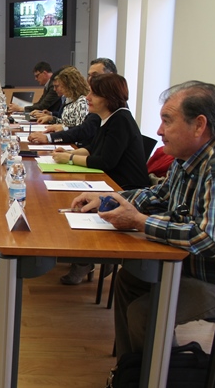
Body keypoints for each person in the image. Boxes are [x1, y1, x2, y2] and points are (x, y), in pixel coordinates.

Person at [70, 81, 215, 361]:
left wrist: (140, 222)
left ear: (199, 125)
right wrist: (109, 199)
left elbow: (209, 240)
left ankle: (156, 373)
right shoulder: (186, 157)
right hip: (185, 264)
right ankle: (134, 370)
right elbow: (158, 193)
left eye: (167, 121)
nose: (158, 131)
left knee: (145, 313)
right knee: (129, 279)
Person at [52, 74, 150, 285]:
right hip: (109, 181)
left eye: (93, 93)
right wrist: (70, 155)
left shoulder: (121, 119)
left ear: (109, 97)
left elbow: (104, 161)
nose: (87, 97)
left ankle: (86, 259)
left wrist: (69, 159)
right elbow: (93, 149)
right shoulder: (110, 118)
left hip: (126, 189)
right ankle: (83, 258)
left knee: (75, 199)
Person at [28, 58, 117, 146]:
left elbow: (83, 131)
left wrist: (50, 137)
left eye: (95, 75)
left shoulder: (113, 107)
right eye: (89, 75)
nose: (90, 79)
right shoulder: (70, 100)